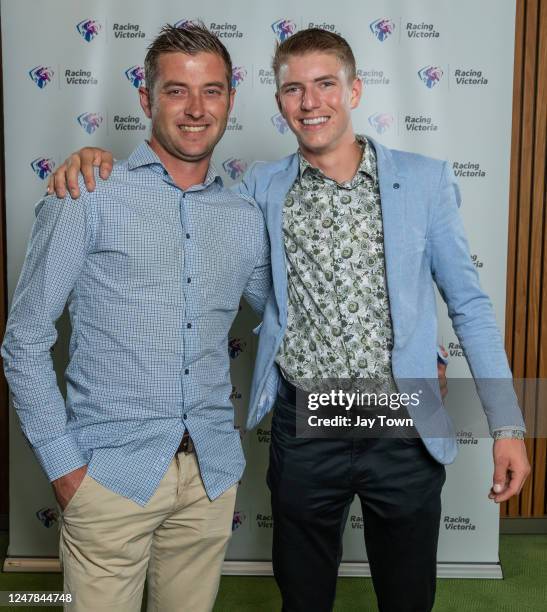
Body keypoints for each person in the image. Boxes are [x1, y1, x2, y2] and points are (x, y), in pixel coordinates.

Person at [47, 28, 529, 612]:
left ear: (353, 91)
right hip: (308, 422)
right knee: (303, 596)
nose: (310, 101)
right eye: (293, 89)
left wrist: (506, 426)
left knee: (408, 597)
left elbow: (470, 307)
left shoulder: (424, 181)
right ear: (277, 102)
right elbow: (186, 212)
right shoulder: (256, 190)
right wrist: (92, 159)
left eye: (325, 84)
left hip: (405, 413)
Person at [2, 24, 271, 612]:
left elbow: (288, 320)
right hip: (107, 477)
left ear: (231, 99)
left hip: (209, 476)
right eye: (177, 91)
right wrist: (65, 468)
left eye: (213, 91)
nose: (197, 110)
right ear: (147, 101)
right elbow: (23, 343)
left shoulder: (243, 217)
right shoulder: (88, 194)